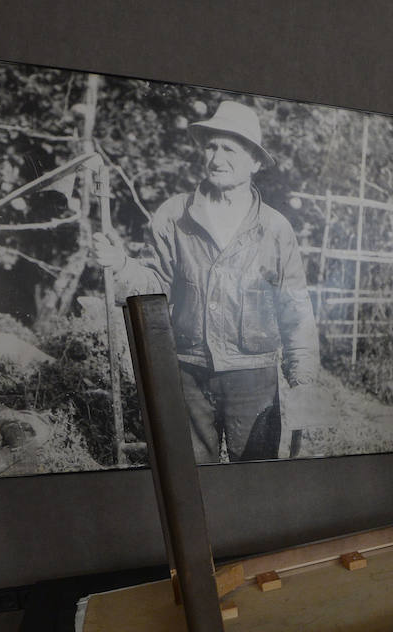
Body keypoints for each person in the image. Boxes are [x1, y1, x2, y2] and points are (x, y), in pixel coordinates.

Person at [94, 99, 319, 463]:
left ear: (255, 162)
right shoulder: (174, 215)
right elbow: (156, 285)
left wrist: (304, 380)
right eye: (211, 147)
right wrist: (121, 264)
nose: (216, 158)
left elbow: (295, 309)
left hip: (254, 378)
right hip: (188, 373)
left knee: (256, 478)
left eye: (229, 149)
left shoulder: (275, 229)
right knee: (193, 475)